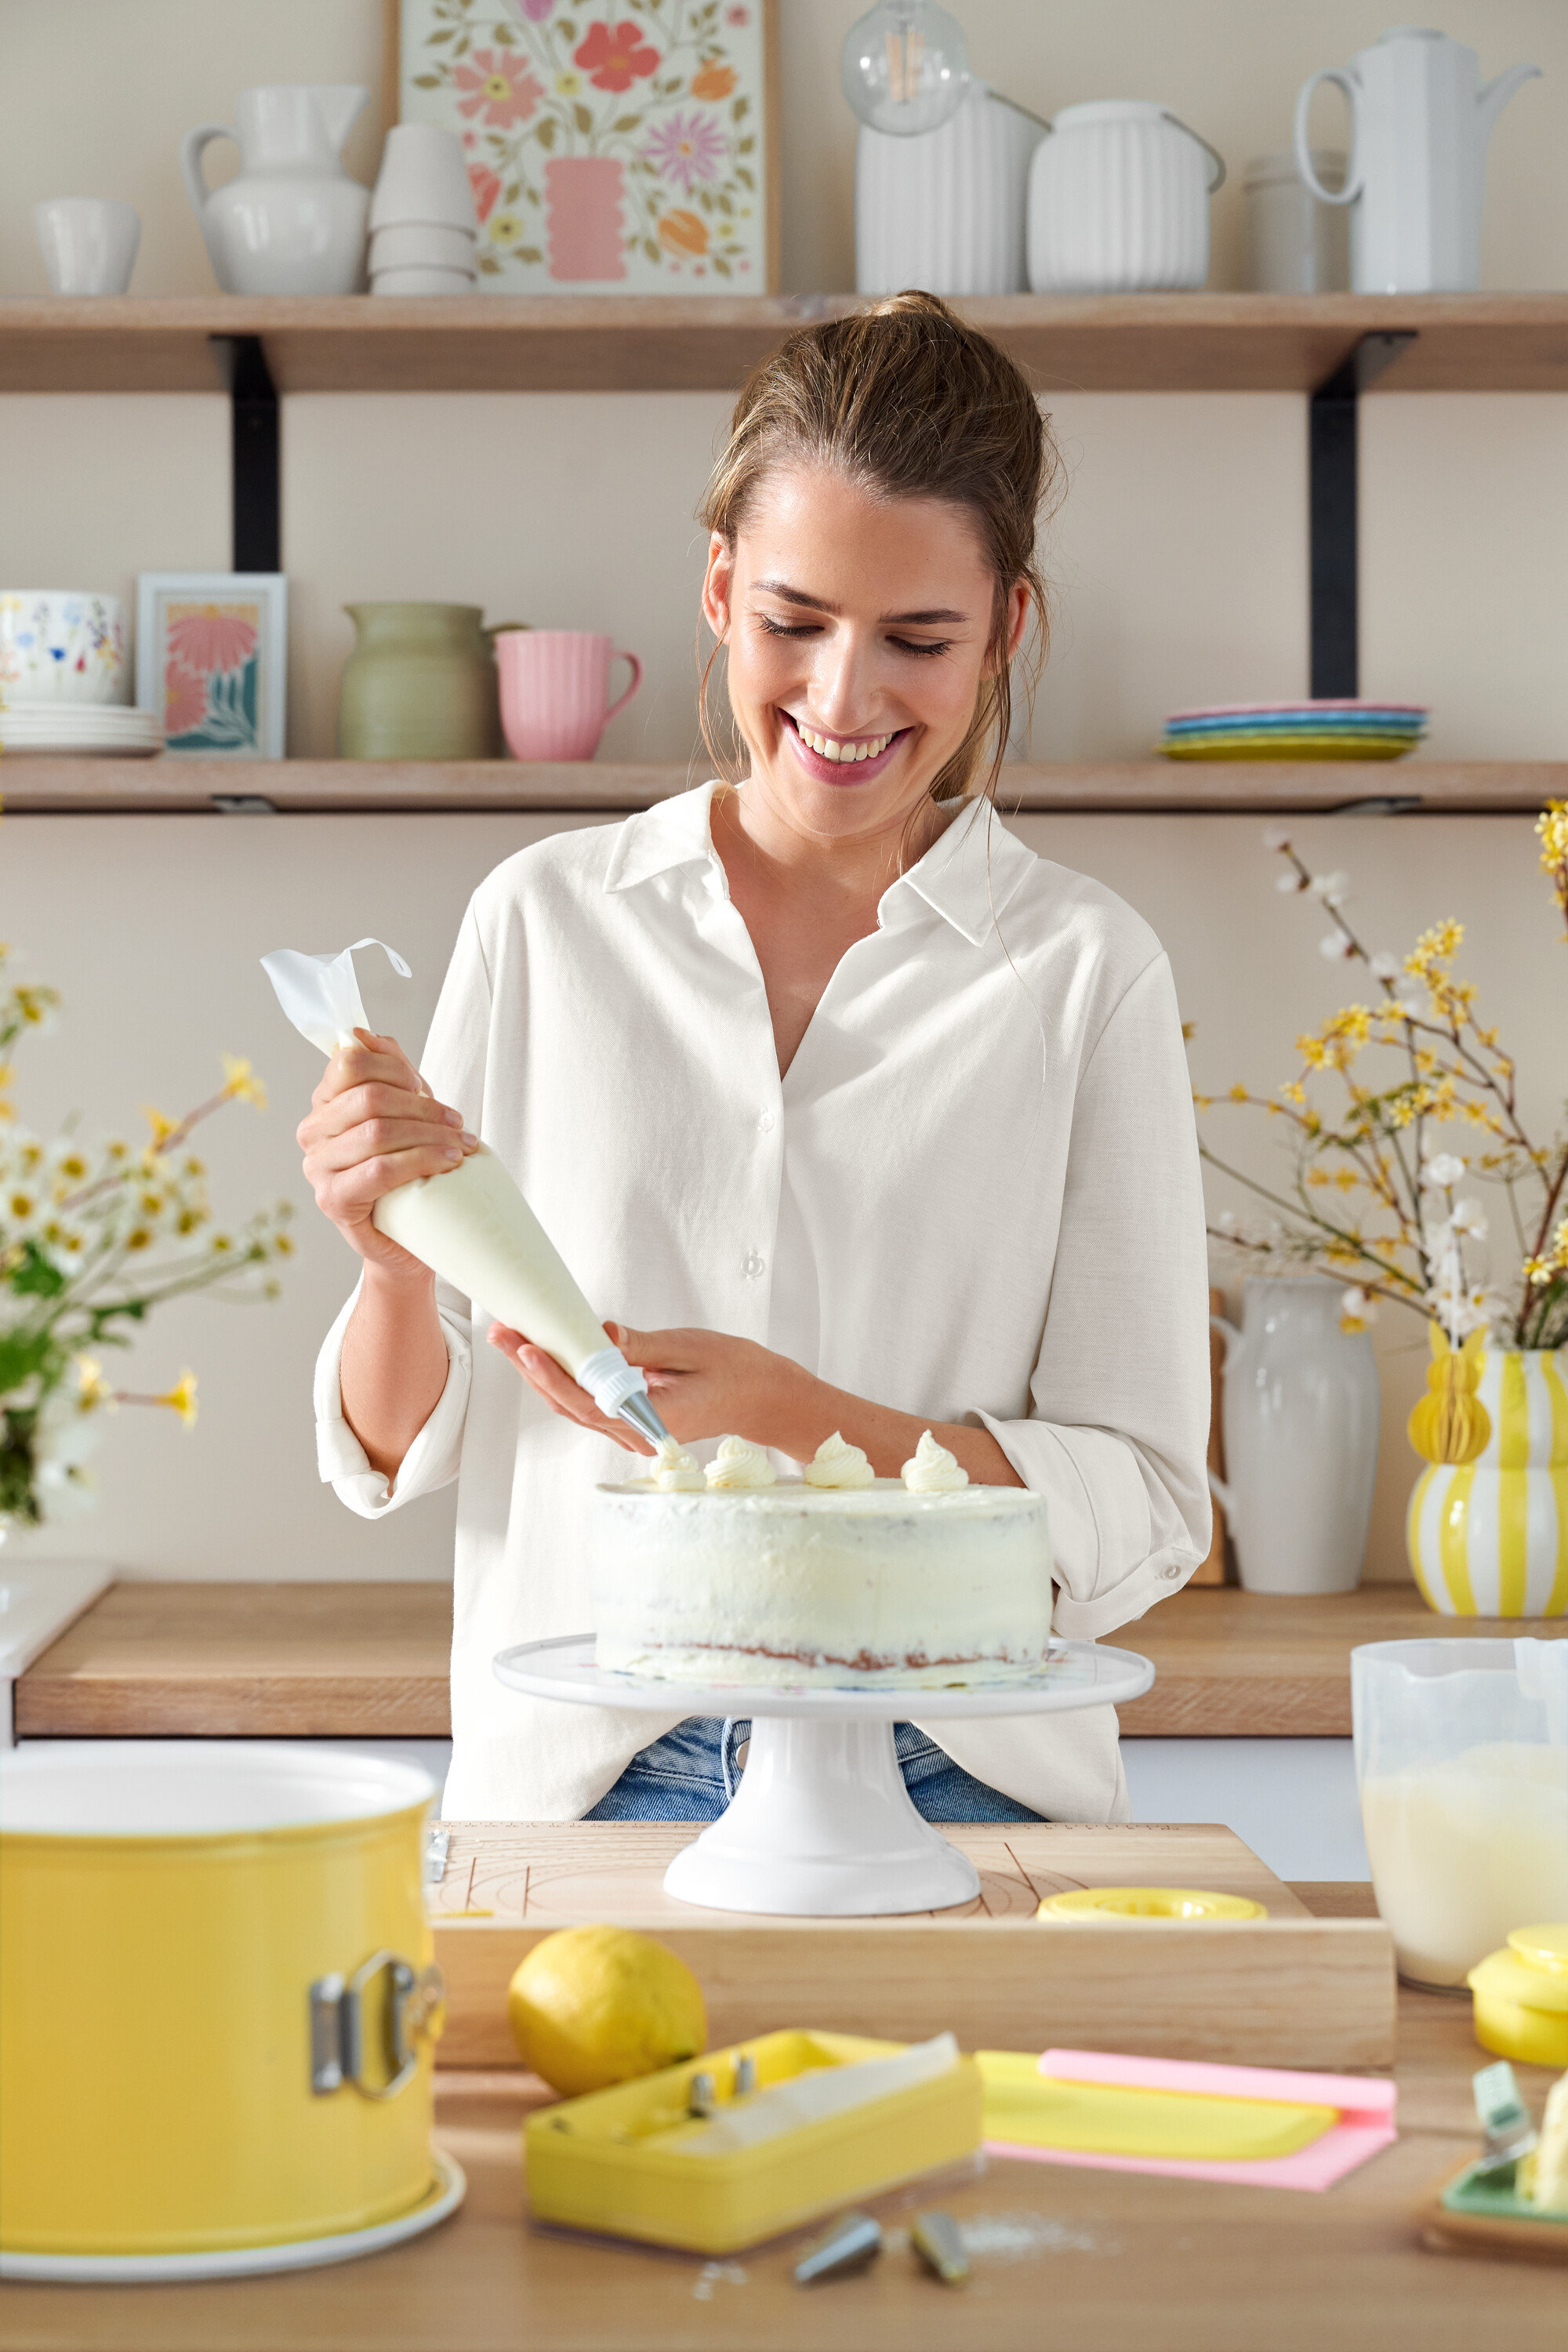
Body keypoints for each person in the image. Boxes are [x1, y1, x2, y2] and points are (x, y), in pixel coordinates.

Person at [299, 292, 1211, 1824]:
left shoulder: (1080, 970)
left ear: (1008, 630)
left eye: (918, 639)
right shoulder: (544, 925)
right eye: (794, 623)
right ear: (719, 591)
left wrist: (800, 1416)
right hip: (593, 1769)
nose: (844, 701)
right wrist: (387, 1267)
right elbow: (403, 1445)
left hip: (953, 1772)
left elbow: (1145, 1506)